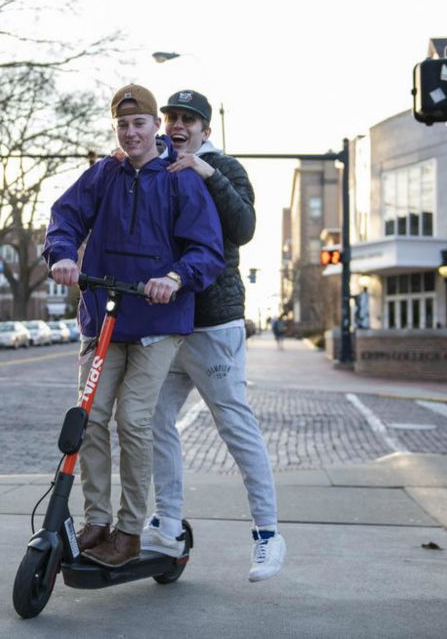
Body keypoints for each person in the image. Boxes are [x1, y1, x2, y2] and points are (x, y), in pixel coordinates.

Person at [43, 84, 224, 568]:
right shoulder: (103, 173)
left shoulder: (179, 177)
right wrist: (61, 255)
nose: (131, 132)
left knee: (134, 420)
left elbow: (207, 250)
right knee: (89, 420)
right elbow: (64, 216)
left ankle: (129, 531)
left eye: (139, 123)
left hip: (157, 323)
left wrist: (174, 277)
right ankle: (97, 520)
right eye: (123, 125)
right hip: (104, 316)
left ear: (154, 127)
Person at [145, 89, 285, 582]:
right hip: (167, 320)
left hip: (214, 321)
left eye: (189, 119)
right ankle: (167, 523)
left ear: (205, 129)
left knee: (234, 424)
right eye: (172, 118)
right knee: (154, 419)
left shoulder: (225, 167)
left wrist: (209, 173)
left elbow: (244, 227)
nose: (178, 125)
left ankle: (268, 534)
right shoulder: (155, 167)